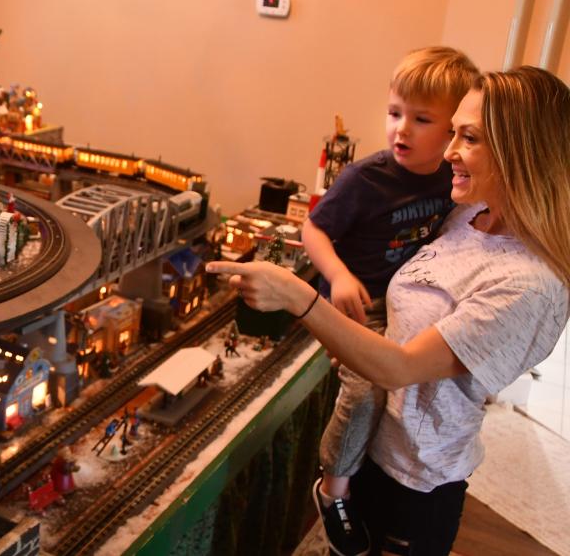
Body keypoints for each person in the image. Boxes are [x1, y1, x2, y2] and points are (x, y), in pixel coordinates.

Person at [208, 65, 570, 556]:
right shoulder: (468, 216)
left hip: (415, 480)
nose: (448, 153)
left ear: (521, 151)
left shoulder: (527, 285)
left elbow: (400, 368)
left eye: (469, 137)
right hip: (376, 451)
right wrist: (359, 345)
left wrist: (297, 296)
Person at [301, 46, 477, 556]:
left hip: (405, 298)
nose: (401, 129)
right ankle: (332, 490)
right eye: (394, 113)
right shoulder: (366, 177)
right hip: (360, 302)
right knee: (365, 392)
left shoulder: (452, 179)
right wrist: (337, 276)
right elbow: (313, 228)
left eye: (421, 119)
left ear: (452, 132)